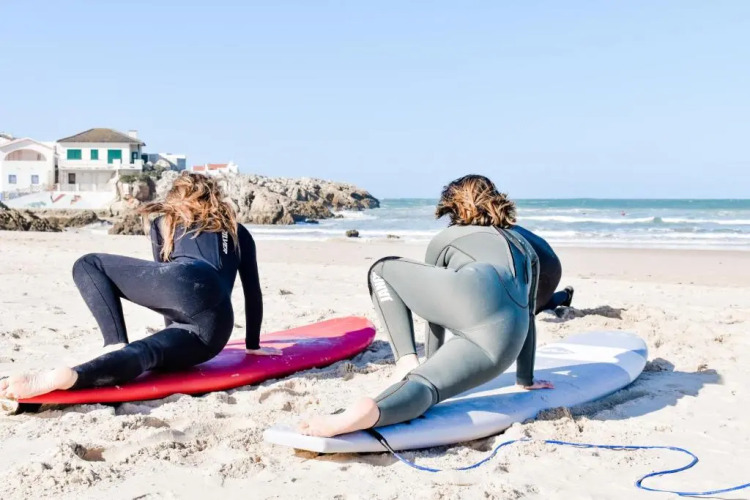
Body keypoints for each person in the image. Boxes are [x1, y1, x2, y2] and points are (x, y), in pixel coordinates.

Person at [299, 175, 553, 438]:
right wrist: (526, 379)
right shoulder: (525, 247)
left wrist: (427, 362)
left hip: (473, 294)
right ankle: (376, 411)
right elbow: (529, 313)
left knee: (381, 270)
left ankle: (405, 361)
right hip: (504, 344)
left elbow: (435, 315)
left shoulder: (447, 238)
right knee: (427, 387)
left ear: (454, 206)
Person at [0, 172, 278, 401]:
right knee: (147, 354)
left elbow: (166, 279)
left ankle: (114, 343)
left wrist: (172, 327)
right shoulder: (237, 230)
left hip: (187, 280)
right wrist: (252, 345)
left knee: (88, 264)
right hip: (216, 330)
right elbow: (252, 292)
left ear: (175, 198)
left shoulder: (165, 222)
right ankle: (74, 377)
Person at [510, 225, 574, 314]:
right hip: (547, 261)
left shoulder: (502, 235)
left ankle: (566, 294)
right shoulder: (507, 227)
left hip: (547, 270)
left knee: (531, 310)